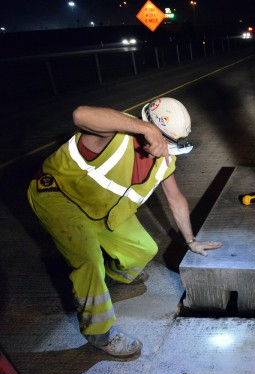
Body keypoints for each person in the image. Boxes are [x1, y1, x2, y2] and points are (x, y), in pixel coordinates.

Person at [27, 97, 222, 357]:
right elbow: (80, 114)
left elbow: (176, 200)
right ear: (149, 129)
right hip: (61, 198)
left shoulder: (164, 157)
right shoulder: (112, 136)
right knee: (88, 261)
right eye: (166, 142)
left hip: (102, 207)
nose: (168, 151)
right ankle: (100, 333)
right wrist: (146, 129)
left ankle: (111, 278)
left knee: (144, 248)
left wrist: (191, 241)